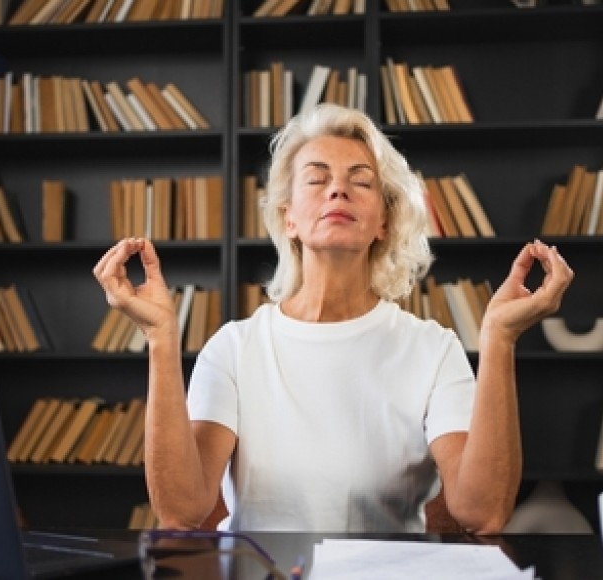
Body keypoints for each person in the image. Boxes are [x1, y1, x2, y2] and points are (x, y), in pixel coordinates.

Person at [93, 103, 574, 534]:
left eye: (361, 181)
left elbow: (482, 513)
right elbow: (183, 511)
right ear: (289, 219)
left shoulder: (433, 348)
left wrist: (500, 338)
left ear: (384, 222)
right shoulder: (235, 348)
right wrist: (159, 338)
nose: (338, 190)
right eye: (317, 179)